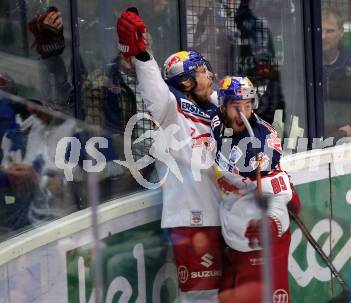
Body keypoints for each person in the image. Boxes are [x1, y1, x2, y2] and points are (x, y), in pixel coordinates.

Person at [117, 8, 223, 303]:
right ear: (186, 82)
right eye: (202, 71)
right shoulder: (170, 110)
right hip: (193, 223)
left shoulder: (212, 106)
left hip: (222, 218)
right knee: (202, 299)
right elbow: (154, 89)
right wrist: (141, 53)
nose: (210, 75)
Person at [210, 76, 300, 303]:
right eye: (236, 107)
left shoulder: (262, 140)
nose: (243, 113)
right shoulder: (218, 123)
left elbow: (278, 190)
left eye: (248, 106)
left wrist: (272, 222)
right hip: (234, 235)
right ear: (223, 106)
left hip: (261, 237)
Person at [322, 8, 351, 141]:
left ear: (341, 32)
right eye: (320, 30)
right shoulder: (304, 68)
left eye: (330, 31)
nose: (323, 36)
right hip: (317, 141)